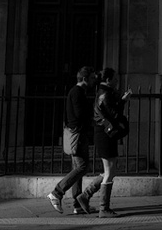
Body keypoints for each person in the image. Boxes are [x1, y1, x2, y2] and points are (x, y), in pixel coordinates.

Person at [47, 65, 100, 216]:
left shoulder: (75, 92)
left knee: (77, 169)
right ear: (84, 79)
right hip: (79, 135)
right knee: (82, 167)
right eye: (90, 79)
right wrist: (90, 118)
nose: (92, 82)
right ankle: (57, 192)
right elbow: (79, 114)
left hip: (74, 134)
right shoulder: (77, 92)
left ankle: (77, 205)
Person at [92, 68, 132, 218]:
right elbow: (113, 114)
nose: (117, 81)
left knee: (111, 170)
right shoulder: (105, 93)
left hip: (105, 133)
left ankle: (86, 195)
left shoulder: (103, 92)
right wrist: (123, 101)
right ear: (108, 79)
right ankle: (104, 208)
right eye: (115, 78)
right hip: (105, 134)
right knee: (109, 171)